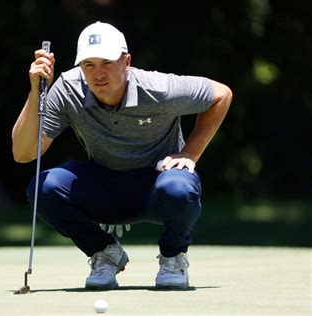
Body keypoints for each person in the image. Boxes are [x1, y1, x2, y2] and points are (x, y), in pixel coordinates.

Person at [12, 21, 232, 290]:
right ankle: (105, 253)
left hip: (158, 185)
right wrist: (37, 90)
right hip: (105, 186)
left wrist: (190, 153)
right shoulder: (69, 89)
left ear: (126, 61)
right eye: (88, 65)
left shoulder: (159, 88)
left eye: (107, 62)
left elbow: (222, 94)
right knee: (43, 187)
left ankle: (173, 256)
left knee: (180, 187)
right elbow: (23, 153)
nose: (98, 74)